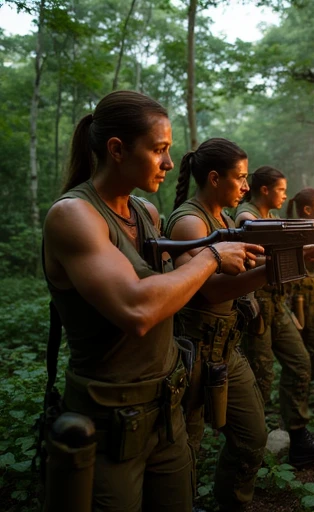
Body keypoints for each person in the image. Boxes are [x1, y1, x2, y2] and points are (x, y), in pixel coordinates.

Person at [42, 91, 263, 512]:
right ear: (117, 149)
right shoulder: (73, 215)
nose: (167, 162)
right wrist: (215, 255)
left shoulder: (147, 213)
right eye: (159, 150)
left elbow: (198, 288)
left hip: (168, 412)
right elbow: (138, 310)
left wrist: (294, 258)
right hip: (110, 427)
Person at [164, 138, 270, 512]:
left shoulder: (225, 219)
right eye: (240, 178)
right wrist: (273, 270)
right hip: (191, 354)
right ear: (213, 178)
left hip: (226, 349)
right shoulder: (190, 222)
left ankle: (232, 504)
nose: (246, 187)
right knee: (186, 451)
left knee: (253, 437)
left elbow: (253, 263)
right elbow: (209, 291)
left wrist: (309, 251)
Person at [235, 166, 314, 466]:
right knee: (261, 379)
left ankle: (298, 438)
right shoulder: (246, 216)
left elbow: (299, 252)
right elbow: (254, 257)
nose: (285, 195)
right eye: (280, 189)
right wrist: (311, 250)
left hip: (277, 303)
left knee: (301, 363)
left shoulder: (273, 219)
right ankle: (249, 446)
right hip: (257, 306)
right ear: (264, 190)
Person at [286, 187, 314, 380]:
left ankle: (306, 385)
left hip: (311, 301)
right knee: (309, 350)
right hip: (298, 302)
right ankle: (303, 385)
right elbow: (313, 257)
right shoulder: (300, 232)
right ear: (307, 210)